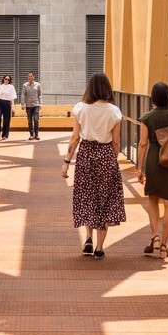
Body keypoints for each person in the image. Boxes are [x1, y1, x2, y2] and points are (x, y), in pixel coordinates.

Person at [62, 72, 126, 258]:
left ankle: (88, 237)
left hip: (86, 155)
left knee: (88, 197)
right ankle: (99, 247)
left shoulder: (81, 108)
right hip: (106, 155)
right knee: (104, 199)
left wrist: (66, 163)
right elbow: (116, 142)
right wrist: (112, 161)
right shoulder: (114, 111)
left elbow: (75, 138)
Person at [135, 82, 168, 260]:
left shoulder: (146, 117)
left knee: (152, 199)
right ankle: (165, 245)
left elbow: (143, 144)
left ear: (153, 98)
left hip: (154, 160)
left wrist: (140, 168)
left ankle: (155, 237)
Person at [0, 75, 16, 141]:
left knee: (6, 120)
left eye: (8, 79)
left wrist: (13, 107)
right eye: (6, 79)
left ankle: (5, 135)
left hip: (7, 103)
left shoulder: (11, 87)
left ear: (9, 81)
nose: (7, 80)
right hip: (0, 102)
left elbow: (12, 98)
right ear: (3, 79)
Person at [20, 72, 42, 140]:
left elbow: (40, 95)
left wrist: (41, 103)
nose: (30, 77)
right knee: (29, 120)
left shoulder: (38, 85)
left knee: (36, 119)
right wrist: (23, 104)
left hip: (36, 104)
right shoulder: (25, 85)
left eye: (31, 76)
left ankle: (37, 134)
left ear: (33, 77)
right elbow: (23, 95)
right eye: (29, 76)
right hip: (28, 105)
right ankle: (31, 134)